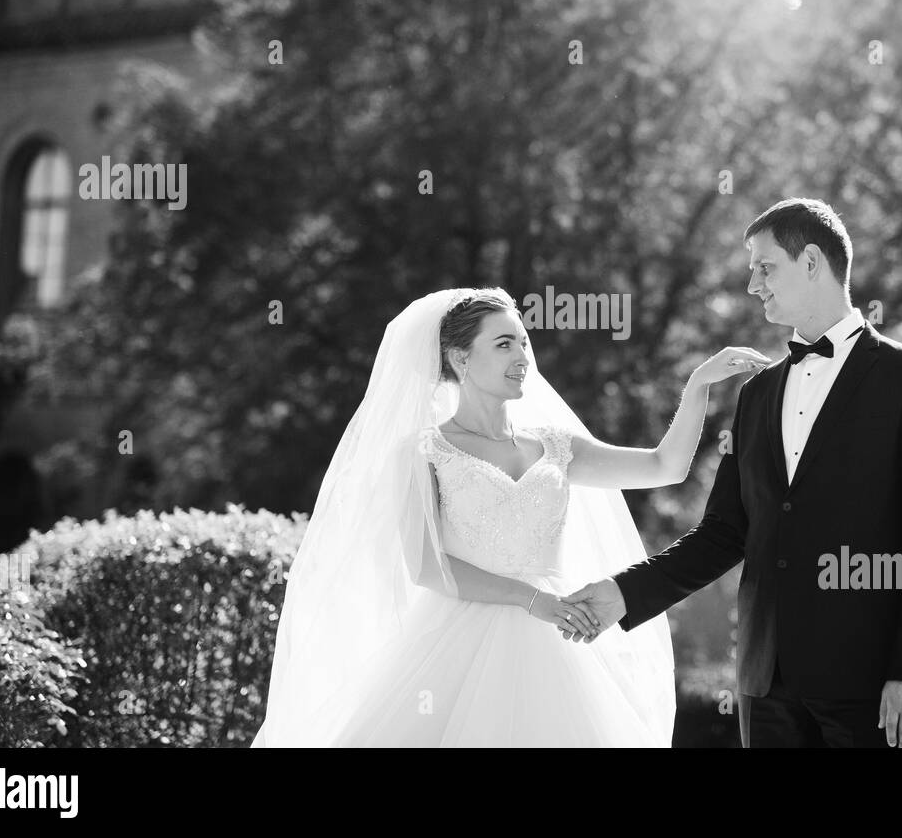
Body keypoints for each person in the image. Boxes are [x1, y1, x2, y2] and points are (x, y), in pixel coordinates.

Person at [251, 286, 768, 746]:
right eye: (504, 344)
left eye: (523, 342)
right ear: (459, 358)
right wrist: (534, 600)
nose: (523, 355)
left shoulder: (556, 446)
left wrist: (699, 384)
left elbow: (665, 466)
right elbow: (429, 566)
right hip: (462, 644)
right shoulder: (423, 453)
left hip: (563, 643)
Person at [564, 198, 902, 748]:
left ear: (812, 263)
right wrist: (622, 592)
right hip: (764, 680)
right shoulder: (755, 395)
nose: (753, 284)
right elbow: (725, 533)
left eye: (764, 266)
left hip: (869, 683)